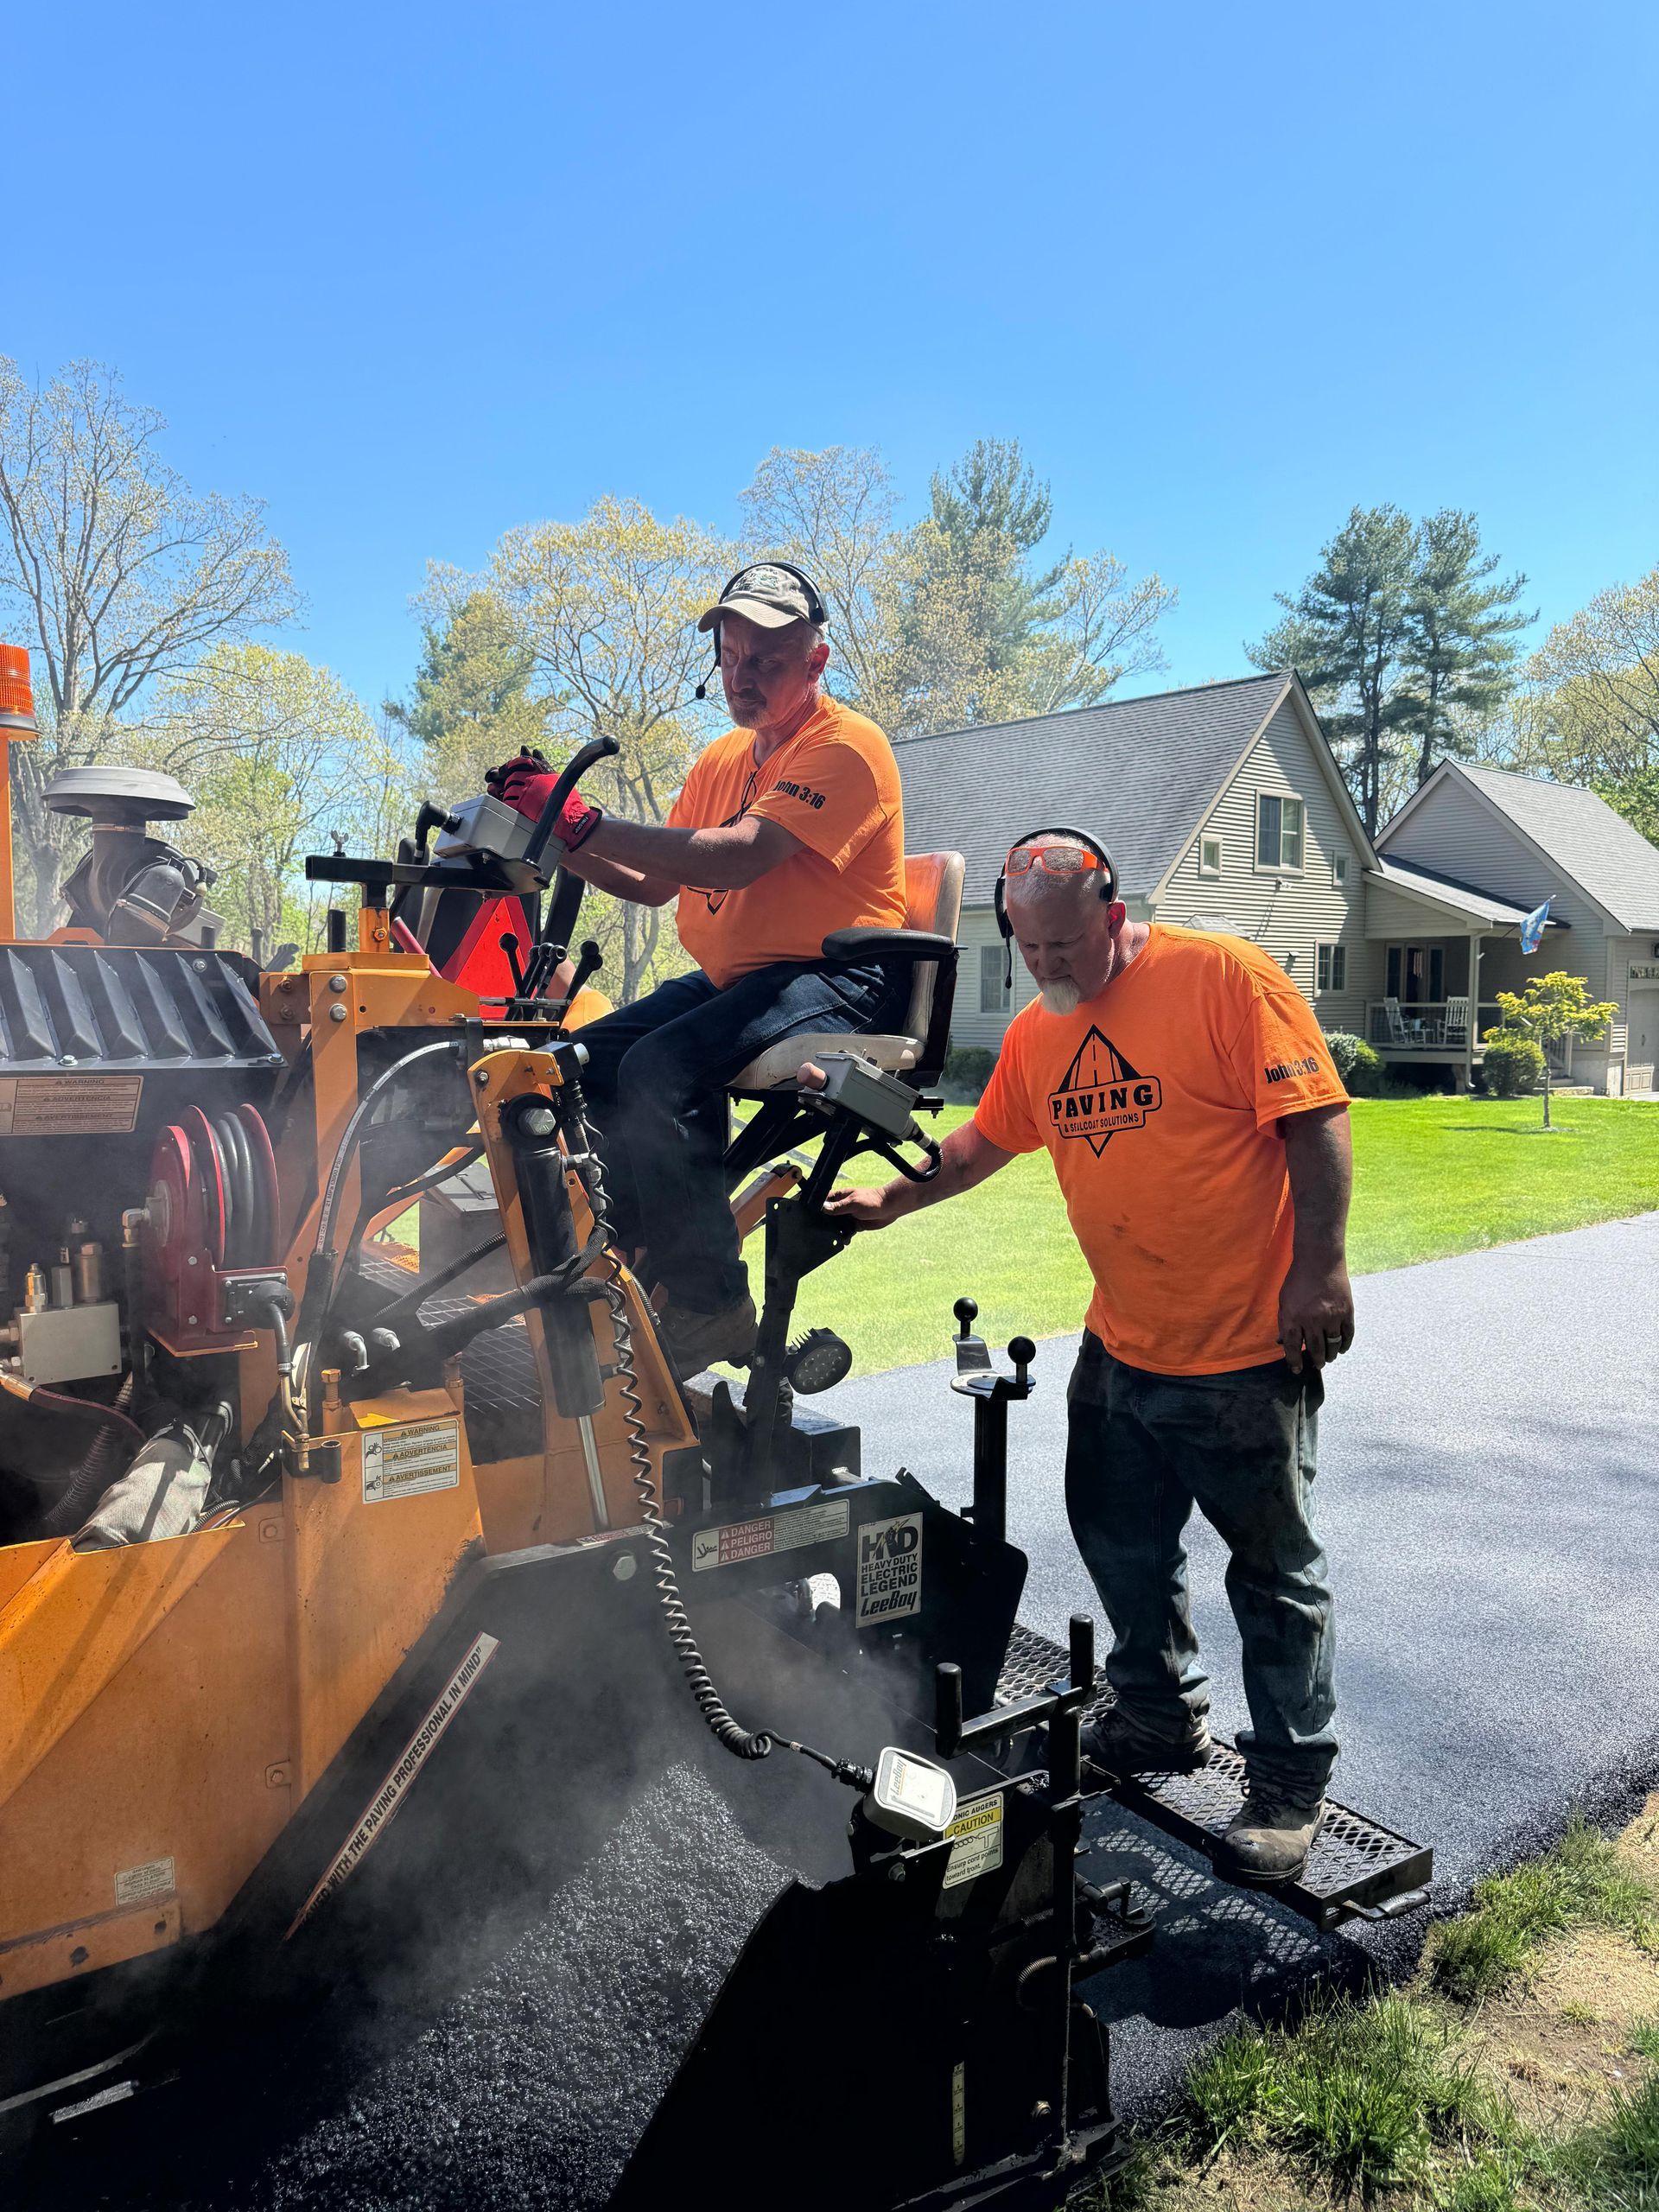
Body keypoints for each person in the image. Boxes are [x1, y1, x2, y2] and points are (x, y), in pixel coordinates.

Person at [825, 829, 1355, 1885]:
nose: (1050, 964)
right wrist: (890, 1196)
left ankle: (1290, 1783)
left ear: (1115, 916)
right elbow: (980, 1141)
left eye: (1067, 943)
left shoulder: (1222, 980)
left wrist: (1321, 1270)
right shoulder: (1038, 1034)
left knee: (1274, 1571)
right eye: (1030, 948)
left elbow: (1316, 1118)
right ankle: (1159, 1717)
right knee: (1120, 1545)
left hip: (1246, 1346)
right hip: (1122, 1346)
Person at [491, 563, 910, 1375]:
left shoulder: (848, 747)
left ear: (816, 662)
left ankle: (713, 1304)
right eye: (730, 655)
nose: (741, 677)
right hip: (745, 982)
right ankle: (644, 1262)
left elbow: (738, 858)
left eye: (767, 662)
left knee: (662, 1068)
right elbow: (653, 884)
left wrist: (582, 815)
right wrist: (562, 833)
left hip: (842, 980)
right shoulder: (722, 760)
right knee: (571, 1066)